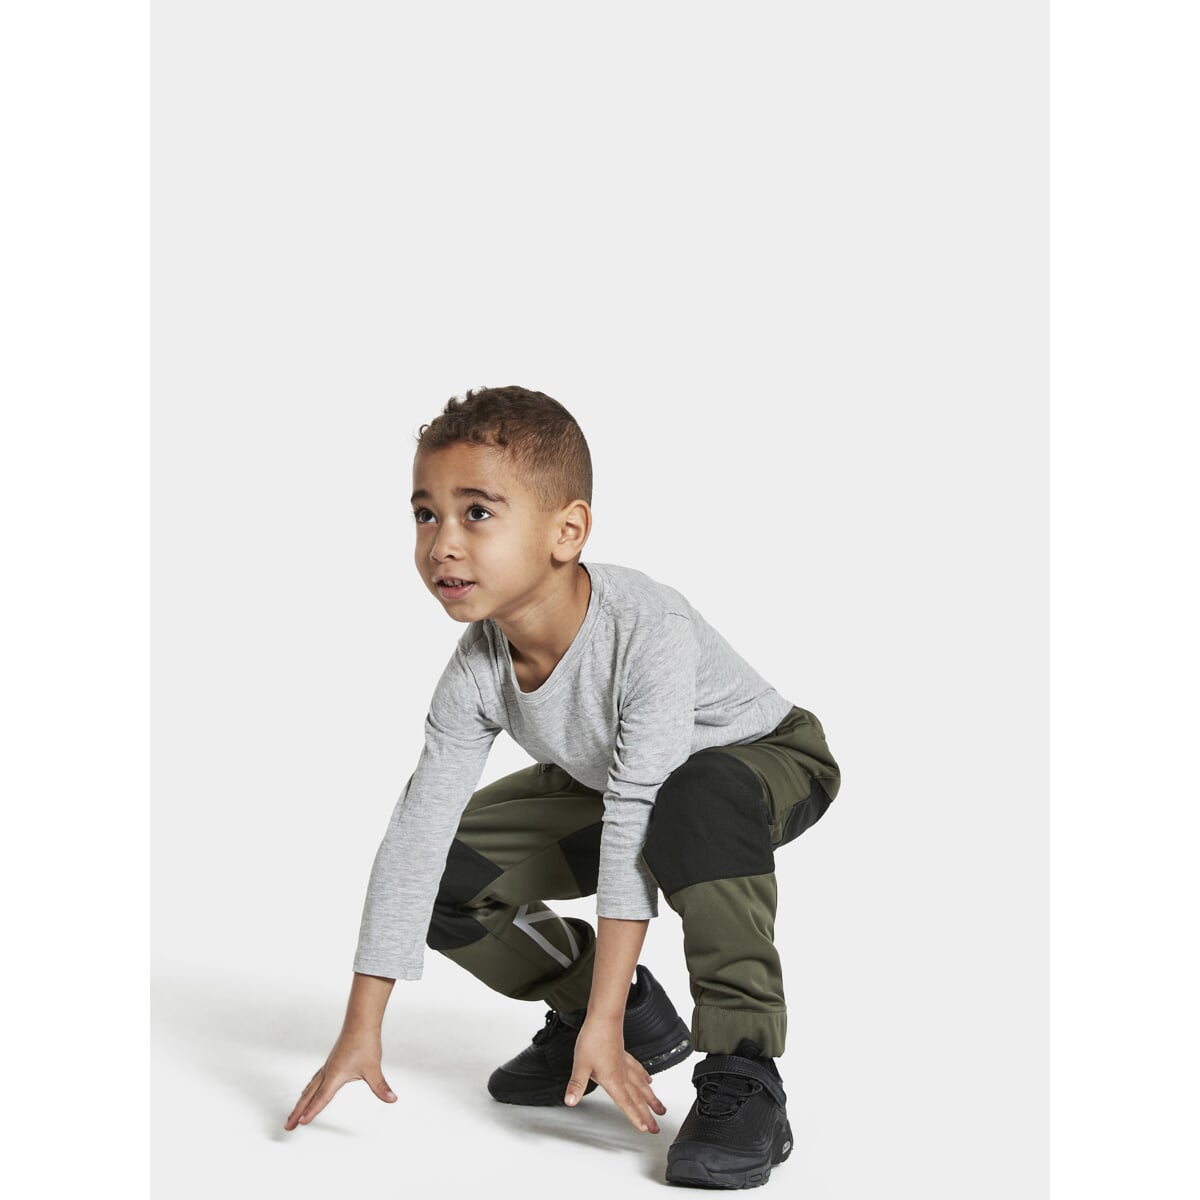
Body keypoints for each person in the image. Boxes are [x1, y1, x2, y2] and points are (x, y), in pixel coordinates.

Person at [284, 386, 841, 1189]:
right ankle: (615, 1011)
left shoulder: (646, 630)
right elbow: (415, 836)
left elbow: (635, 820)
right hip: (615, 780)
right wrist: (361, 1026)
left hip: (760, 759)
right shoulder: (478, 667)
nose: (442, 543)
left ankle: (744, 1069)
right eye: (425, 514)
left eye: (477, 512)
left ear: (567, 531)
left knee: (696, 796)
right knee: (448, 873)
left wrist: (603, 1023)